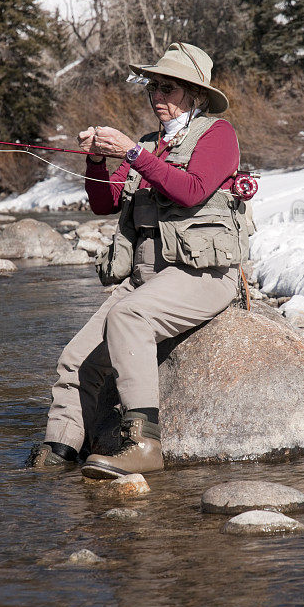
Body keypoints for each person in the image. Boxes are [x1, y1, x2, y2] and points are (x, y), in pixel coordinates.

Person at [32, 42, 250, 477]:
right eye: (153, 87)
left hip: (201, 273)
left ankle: (145, 444)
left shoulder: (218, 134)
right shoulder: (151, 143)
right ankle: (58, 452)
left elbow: (190, 190)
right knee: (74, 360)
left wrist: (133, 153)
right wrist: (97, 159)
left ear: (196, 95)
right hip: (145, 278)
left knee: (129, 316)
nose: (158, 97)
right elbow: (104, 201)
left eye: (168, 88)